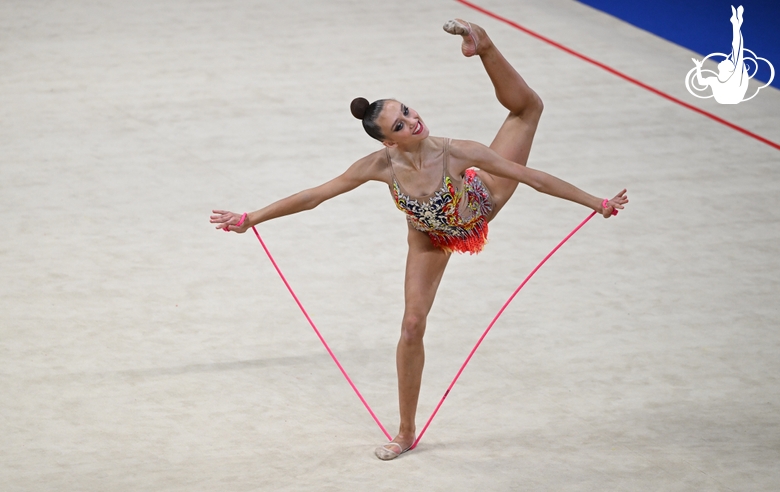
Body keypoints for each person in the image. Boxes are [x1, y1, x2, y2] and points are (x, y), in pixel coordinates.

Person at [211, 19, 628, 460]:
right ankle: (405, 432)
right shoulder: (379, 166)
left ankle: (483, 45)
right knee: (411, 326)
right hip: (428, 239)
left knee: (528, 109)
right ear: (388, 142)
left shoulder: (457, 151)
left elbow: (533, 179)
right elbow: (316, 195)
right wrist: (251, 218)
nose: (413, 120)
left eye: (407, 110)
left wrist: (594, 202)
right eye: (400, 123)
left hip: (482, 201)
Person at [692, 5, 749, 104]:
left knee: (737, 50)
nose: (724, 60)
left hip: (731, 97)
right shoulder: (728, 78)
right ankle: (736, 24)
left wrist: (698, 68)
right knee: (737, 51)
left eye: (725, 61)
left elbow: (701, 82)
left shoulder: (717, 80)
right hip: (733, 97)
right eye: (726, 61)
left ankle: (736, 24)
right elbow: (737, 50)